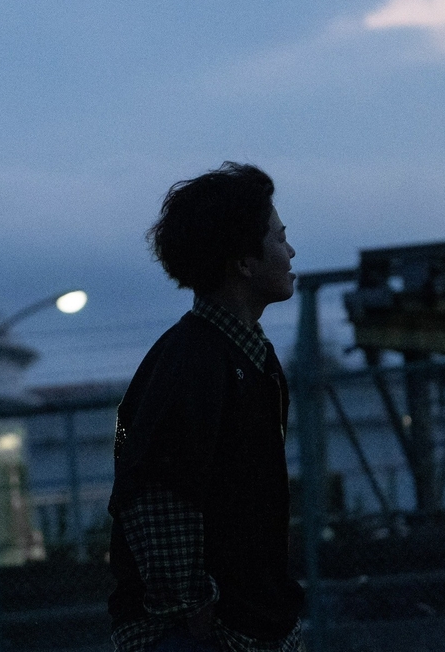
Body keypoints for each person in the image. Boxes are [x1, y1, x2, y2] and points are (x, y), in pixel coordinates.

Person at [107, 162, 305, 652]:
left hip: (242, 626)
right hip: (203, 636)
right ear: (244, 262)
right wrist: (191, 610)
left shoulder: (243, 358)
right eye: (279, 238)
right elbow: (155, 488)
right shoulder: (194, 362)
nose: (290, 252)